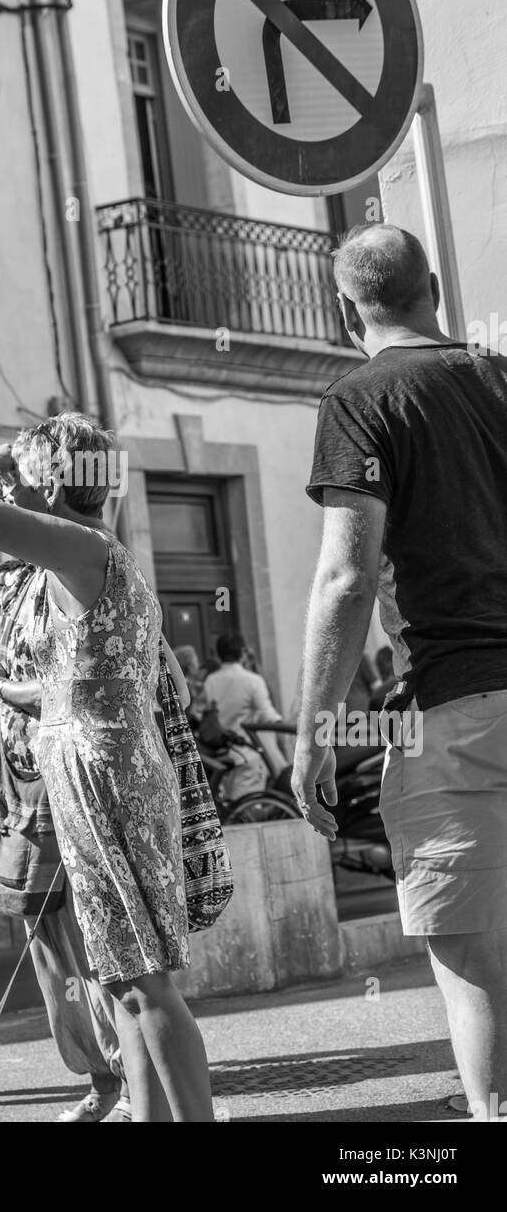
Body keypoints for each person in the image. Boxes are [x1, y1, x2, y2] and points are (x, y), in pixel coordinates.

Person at [0, 412, 214, 1123]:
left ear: (52, 481)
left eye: (23, 475)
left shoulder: (79, 545)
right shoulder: (74, 550)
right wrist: (17, 467)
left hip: (102, 770)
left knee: (145, 982)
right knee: (125, 978)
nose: (10, 485)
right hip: (90, 767)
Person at [293, 222, 507, 1122]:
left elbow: (346, 576)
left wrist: (313, 735)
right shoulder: (499, 374)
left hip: (449, 713)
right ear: (433, 290)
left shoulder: (360, 399)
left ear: (349, 311)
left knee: (474, 971)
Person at [0, 510, 130, 1123]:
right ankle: (101, 1077)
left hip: (64, 769)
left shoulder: (78, 570)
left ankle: (131, 1081)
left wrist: (0, 686)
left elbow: (74, 690)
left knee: (92, 935)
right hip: (17, 778)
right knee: (45, 937)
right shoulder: (15, 578)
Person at [202, 634, 285, 790]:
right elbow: (268, 714)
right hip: (249, 751)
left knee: (236, 805)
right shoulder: (253, 680)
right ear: (242, 652)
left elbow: (204, 712)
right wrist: (286, 725)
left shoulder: (210, 681)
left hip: (225, 752)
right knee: (249, 807)